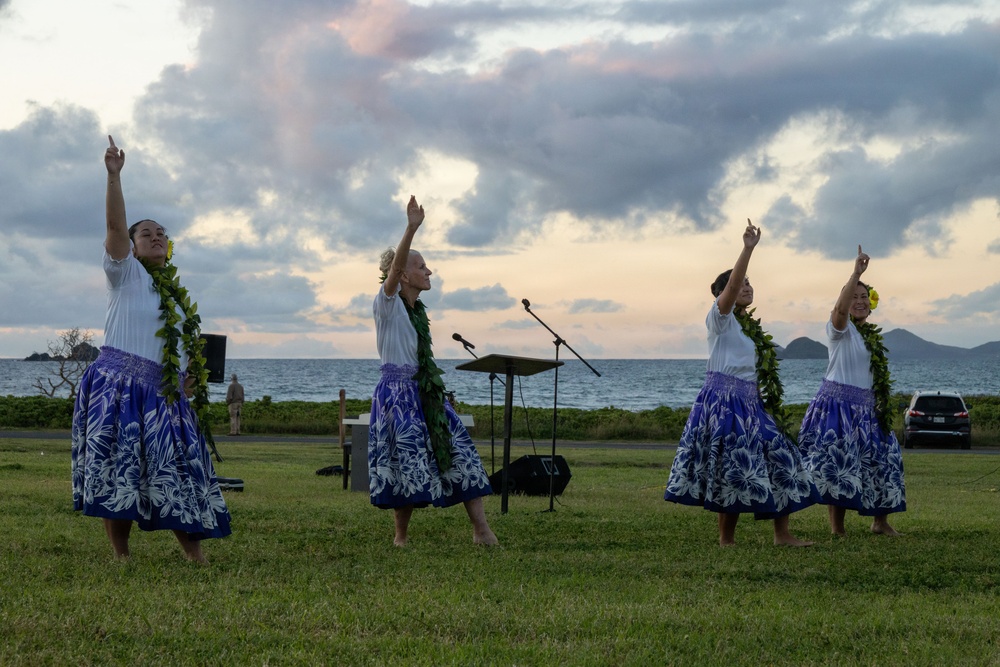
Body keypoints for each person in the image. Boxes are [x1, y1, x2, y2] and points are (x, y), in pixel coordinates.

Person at [71, 136, 231, 563]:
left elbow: (182, 346)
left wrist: (189, 377)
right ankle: (121, 554)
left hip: (165, 394)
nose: (156, 237)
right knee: (120, 472)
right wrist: (114, 176)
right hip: (119, 385)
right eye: (146, 233)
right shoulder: (124, 273)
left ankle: (195, 556)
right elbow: (113, 228)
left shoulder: (176, 298)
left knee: (180, 467)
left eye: (162, 233)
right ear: (133, 244)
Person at [664, 220, 819, 547]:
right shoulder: (719, 319)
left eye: (750, 283)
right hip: (722, 403)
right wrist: (747, 249)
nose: (746, 286)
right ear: (723, 293)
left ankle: (782, 535)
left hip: (751, 404)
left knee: (784, 454)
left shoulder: (750, 329)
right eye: (740, 283)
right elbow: (731, 289)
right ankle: (726, 539)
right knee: (729, 466)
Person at [368, 195, 498, 547]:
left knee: (460, 448)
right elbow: (393, 272)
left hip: (424, 390)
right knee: (405, 463)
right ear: (404, 273)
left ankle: (481, 531)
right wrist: (411, 227)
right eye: (422, 266)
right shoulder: (387, 304)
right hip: (396, 395)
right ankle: (401, 537)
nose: (428, 272)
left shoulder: (417, 312)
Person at [798, 246, 906, 535]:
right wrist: (856, 273)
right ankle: (837, 528)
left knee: (884, 459)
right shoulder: (840, 330)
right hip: (838, 405)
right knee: (840, 463)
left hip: (868, 408)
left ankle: (880, 522)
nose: (858, 302)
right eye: (853, 296)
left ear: (871, 304)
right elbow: (839, 310)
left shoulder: (870, 337)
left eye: (863, 297)